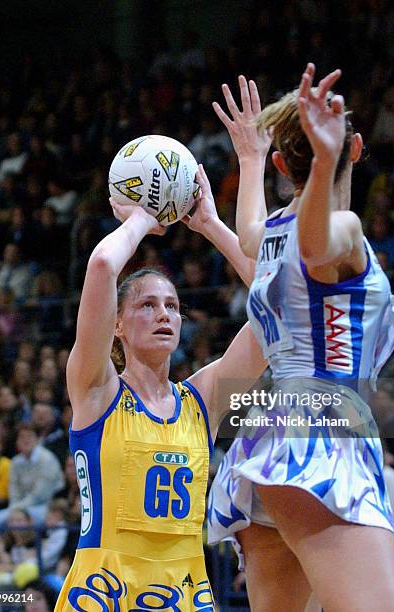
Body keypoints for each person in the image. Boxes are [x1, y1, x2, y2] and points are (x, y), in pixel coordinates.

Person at [208, 65, 394, 611]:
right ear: (358, 147)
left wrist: (248, 160)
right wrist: (325, 163)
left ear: (279, 164)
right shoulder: (344, 228)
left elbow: (249, 234)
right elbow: (317, 247)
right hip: (325, 437)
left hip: (267, 442)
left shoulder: (271, 231)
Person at [54, 166, 266, 610]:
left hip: (184, 590)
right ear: (116, 324)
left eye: (171, 305)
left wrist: (210, 223)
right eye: (147, 305)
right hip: (105, 588)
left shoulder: (202, 400)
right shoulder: (96, 390)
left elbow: (279, 304)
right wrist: (142, 218)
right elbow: (102, 265)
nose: (164, 314)